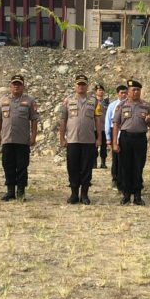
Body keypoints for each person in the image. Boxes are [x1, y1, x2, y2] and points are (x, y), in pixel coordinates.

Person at [0, 74, 39, 201]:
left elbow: (34, 120)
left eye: (19, 84)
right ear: (10, 86)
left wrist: (33, 137)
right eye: (14, 84)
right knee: (8, 165)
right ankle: (10, 191)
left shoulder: (29, 101)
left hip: (22, 140)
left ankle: (21, 192)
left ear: (23, 86)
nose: (16, 86)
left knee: (22, 166)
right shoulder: (3, 100)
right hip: (7, 139)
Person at [59, 74, 102, 205]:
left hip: (88, 140)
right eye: (79, 84)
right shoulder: (67, 101)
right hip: (72, 140)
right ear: (75, 86)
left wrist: (99, 138)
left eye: (83, 84)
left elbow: (97, 120)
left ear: (87, 86)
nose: (81, 87)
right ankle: (74, 194)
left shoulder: (94, 101)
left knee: (86, 168)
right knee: (72, 167)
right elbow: (63, 120)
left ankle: (84, 194)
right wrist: (62, 138)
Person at [112, 79, 150, 205]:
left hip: (140, 139)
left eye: (138, 90)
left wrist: (149, 121)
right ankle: (126, 195)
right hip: (126, 138)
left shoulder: (146, 105)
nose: (136, 92)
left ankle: (137, 196)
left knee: (138, 166)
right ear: (128, 92)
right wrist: (115, 143)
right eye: (133, 90)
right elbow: (116, 124)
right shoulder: (121, 105)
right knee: (125, 167)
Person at [105, 84, 128, 190]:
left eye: (126, 93)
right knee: (116, 158)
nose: (124, 95)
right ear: (117, 94)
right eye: (122, 93)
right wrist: (108, 138)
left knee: (125, 158)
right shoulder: (113, 105)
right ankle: (115, 178)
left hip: (125, 133)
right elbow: (107, 121)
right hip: (114, 131)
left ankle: (124, 179)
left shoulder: (129, 104)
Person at [94, 84, 110, 169]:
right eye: (99, 90)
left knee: (104, 146)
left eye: (102, 90)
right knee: (94, 146)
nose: (101, 91)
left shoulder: (106, 102)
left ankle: (103, 163)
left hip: (104, 127)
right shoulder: (93, 102)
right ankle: (94, 163)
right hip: (94, 127)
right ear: (95, 92)